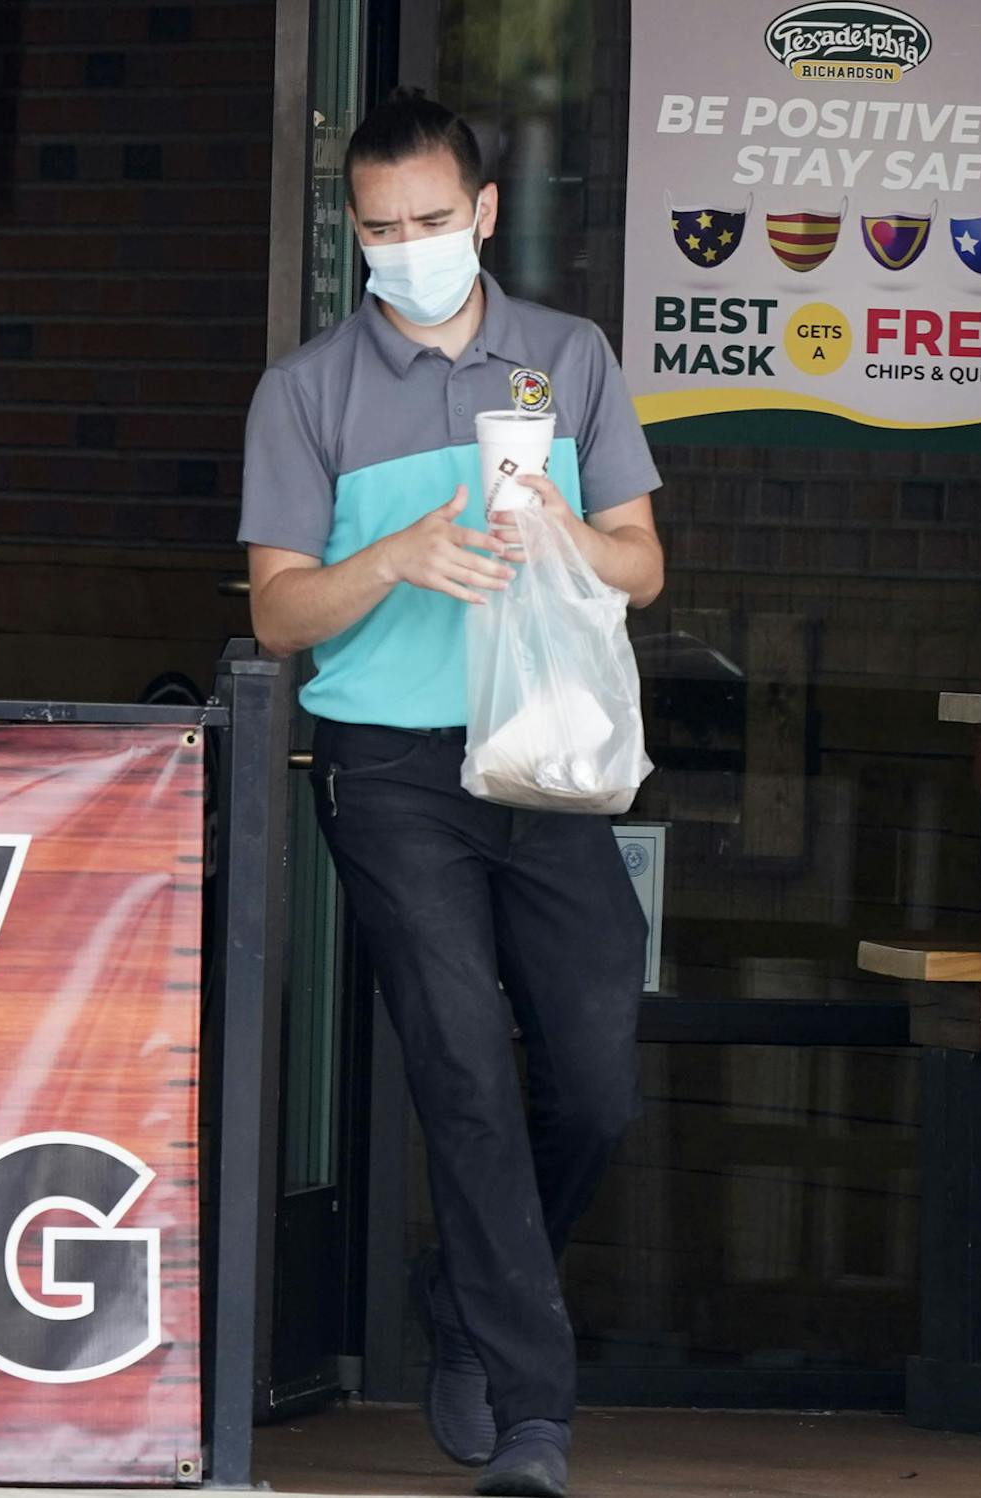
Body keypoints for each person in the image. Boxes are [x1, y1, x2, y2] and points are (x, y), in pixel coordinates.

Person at [237, 94, 663, 1498]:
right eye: (379, 229)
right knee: (466, 1074)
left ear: (482, 212)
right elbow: (286, 614)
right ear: (352, 232)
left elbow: (645, 567)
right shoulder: (307, 391)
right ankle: (535, 1414)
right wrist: (402, 553)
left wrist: (565, 535)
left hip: (543, 748)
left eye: (431, 220)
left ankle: (474, 1293)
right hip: (395, 765)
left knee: (597, 1075)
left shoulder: (568, 358)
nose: (406, 247)